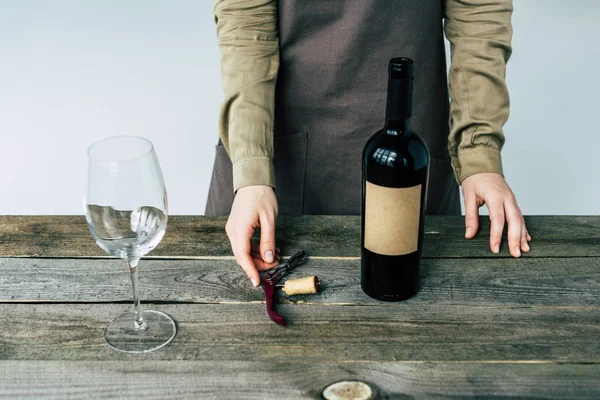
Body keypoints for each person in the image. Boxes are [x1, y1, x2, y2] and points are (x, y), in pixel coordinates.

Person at [205, 0, 532, 287]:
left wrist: (479, 150)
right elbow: (245, 23)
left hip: (410, 160)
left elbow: (480, 12)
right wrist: (252, 172)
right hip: (268, 169)